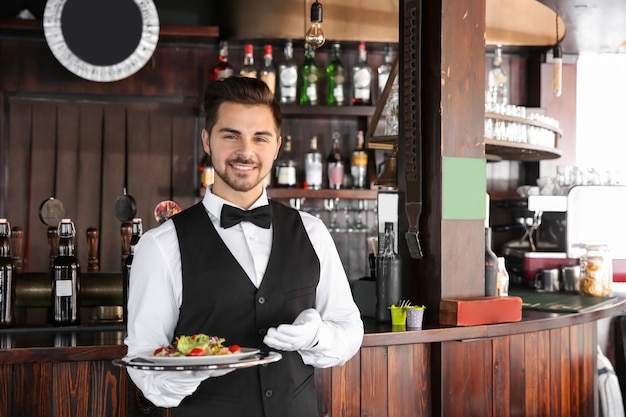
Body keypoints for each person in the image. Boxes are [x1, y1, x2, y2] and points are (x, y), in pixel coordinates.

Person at [124, 76, 364, 417]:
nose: (246, 151)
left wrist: (315, 336)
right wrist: (189, 372)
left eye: (260, 138)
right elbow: (142, 360)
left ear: (277, 146)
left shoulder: (312, 232)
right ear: (207, 140)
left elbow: (349, 331)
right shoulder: (160, 246)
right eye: (230, 135)